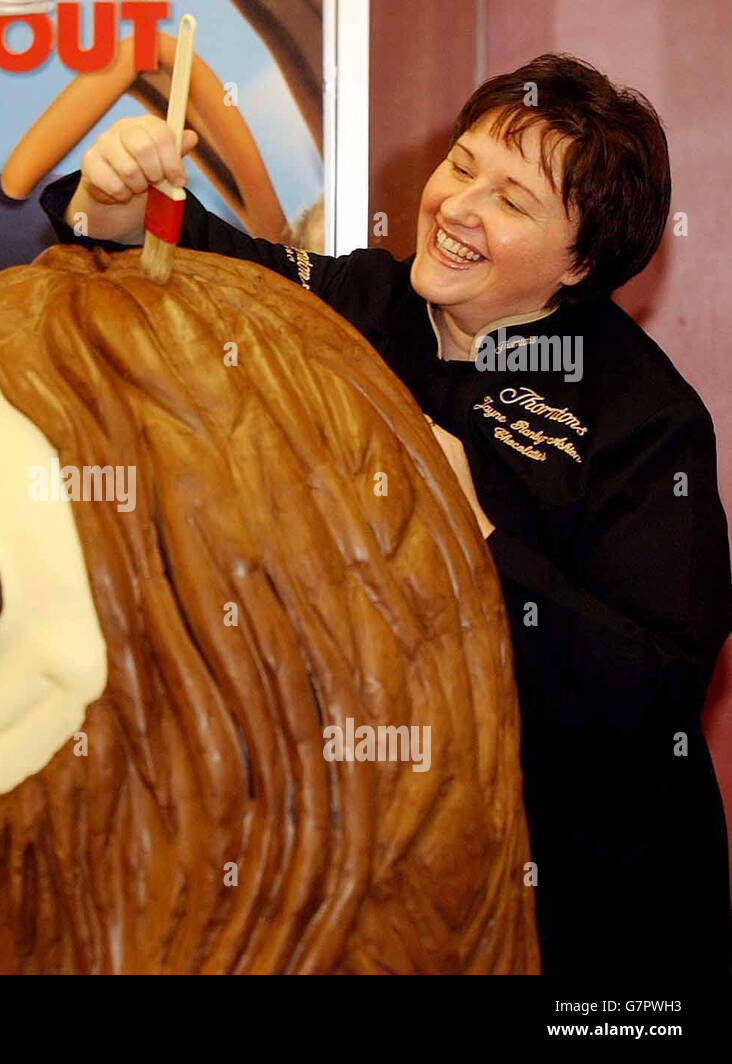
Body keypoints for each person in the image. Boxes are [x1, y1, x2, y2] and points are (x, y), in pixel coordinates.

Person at [40, 52, 732, 973]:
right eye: (462, 164)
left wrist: (476, 538)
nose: (457, 206)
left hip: (587, 895)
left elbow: (658, 689)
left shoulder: (643, 417)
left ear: (586, 258)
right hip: (381, 866)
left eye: (513, 201)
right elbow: (208, 263)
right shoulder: (362, 301)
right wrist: (120, 201)